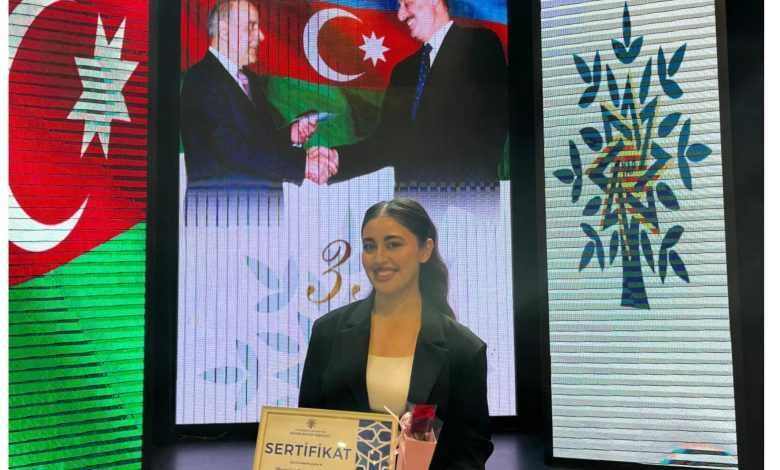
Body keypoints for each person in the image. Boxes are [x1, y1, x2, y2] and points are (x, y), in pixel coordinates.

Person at [299, 198, 493, 469]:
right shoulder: (327, 333)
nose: (379, 258)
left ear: (425, 250)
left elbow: (470, 451)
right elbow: (307, 430)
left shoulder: (463, 349)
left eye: (393, 244)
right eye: (370, 246)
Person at [307, 0, 507, 187]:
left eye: (406, 3)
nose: (400, 15)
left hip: (466, 202)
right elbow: (386, 142)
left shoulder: (479, 44)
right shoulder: (403, 71)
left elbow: (493, 127)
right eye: (399, 5)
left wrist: (468, 196)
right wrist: (337, 159)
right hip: (410, 205)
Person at [180, 0, 337, 188]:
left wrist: (291, 134)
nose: (261, 36)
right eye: (251, 27)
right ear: (224, 31)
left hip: (259, 202)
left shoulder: (250, 79)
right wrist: (302, 164)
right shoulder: (200, 78)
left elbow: (260, 142)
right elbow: (230, 149)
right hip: (222, 203)